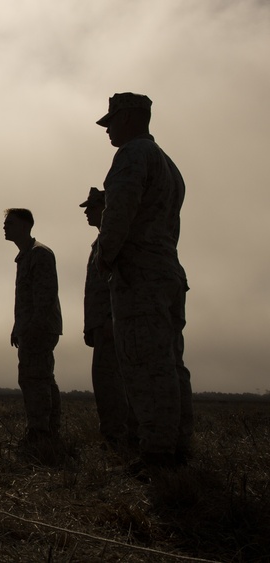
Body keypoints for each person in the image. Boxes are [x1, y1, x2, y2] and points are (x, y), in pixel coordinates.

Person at [95, 92, 193, 469]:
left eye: (113, 121)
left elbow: (119, 211)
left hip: (140, 276)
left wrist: (105, 256)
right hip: (167, 271)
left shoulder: (133, 155)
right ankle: (177, 445)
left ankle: (157, 452)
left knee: (144, 360)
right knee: (170, 361)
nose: (108, 130)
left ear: (132, 118)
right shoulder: (169, 164)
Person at [81, 187, 137, 450]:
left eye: (91, 207)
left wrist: (109, 319)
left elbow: (121, 283)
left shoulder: (117, 241)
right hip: (102, 325)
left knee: (111, 384)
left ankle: (118, 438)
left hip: (111, 325)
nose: (87, 213)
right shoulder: (101, 243)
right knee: (105, 384)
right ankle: (115, 436)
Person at [3, 208, 63, 451]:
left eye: (10, 223)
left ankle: (40, 432)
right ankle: (47, 431)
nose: (5, 227)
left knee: (34, 378)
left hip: (40, 328)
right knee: (42, 378)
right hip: (30, 327)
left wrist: (33, 328)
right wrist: (17, 327)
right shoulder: (24, 256)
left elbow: (45, 297)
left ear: (26, 226)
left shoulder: (40, 254)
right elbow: (25, 299)